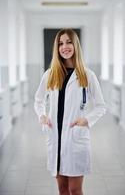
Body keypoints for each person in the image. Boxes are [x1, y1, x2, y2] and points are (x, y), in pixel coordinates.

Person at [34, 28, 106, 195]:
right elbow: (38, 100)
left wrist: (86, 120)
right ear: (56, 48)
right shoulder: (50, 74)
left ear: (76, 45)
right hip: (55, 137)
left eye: (68, 42)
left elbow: (101, 105)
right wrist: (42, 115)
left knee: (75, 189)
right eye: (60, 43)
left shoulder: (87, 75)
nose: (64, 47)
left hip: (75, 139)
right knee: (62, 189)